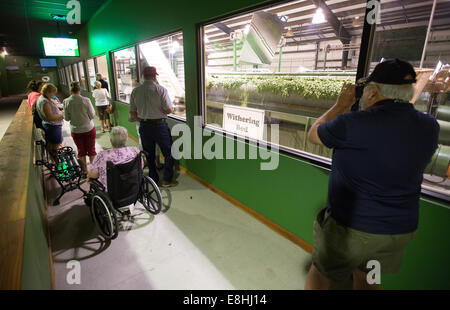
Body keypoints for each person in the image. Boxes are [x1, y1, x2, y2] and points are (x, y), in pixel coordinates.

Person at [304, 59, 440, 290]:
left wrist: (340, 105)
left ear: (373, 91)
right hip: (396, 231)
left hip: (352, 228)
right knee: (369, 279)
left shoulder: (353, 123)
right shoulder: (430, 126)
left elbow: (313, 134)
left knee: (321, 275)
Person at [129, 66, 177, 187]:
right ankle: (166, 179)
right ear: (155, 76)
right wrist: (171, 108)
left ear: (143, 76)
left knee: (148, 153)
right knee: (168, 152)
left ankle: (153, 178)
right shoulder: (161, 90)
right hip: (159, 125)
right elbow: (168, 110)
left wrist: (144, 119)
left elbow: (133, 112)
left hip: (144, 126)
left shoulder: (135, 91)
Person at [88, 126, 141, 194]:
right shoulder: (134, 151)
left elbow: (93, 175)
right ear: (126, 139)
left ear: (110, 140)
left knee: (90, 178)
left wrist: (88, 176)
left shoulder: (101, 156)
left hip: (112, 192)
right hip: (132, 187)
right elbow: (140, 167)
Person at [63, 81, 97, 172]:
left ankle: (84, 171)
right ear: (80, 89)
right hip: (88, 128)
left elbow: (66, 118)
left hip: (76, 130)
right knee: (91, 150)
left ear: (70, 90)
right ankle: (93, 171)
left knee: (81, 151)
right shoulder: (86, 100)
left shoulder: (66, 101)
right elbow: (93, 115)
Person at [36, 83, 64, 159]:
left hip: (51, 126)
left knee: (51, 146)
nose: (54, 95)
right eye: (53, 93)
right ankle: (56, 163)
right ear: (47, 92)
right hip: (53, 126)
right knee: (55, 147)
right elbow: (50, 117)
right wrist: (62, 115)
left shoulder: (43, 98)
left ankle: (54, 161)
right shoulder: (44, 102)